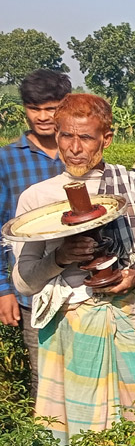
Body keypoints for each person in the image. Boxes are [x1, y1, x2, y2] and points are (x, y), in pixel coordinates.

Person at [12, 94, 135, 444]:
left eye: (85, 137)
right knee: (77, 429)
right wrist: (61, 257)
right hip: (66, 326)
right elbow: (23, 282)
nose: (75, 148)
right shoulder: (37, 198)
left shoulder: (132, 190)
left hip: (122, 316)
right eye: (66, 136)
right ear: (57, 135)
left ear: (106, 139)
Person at [0, 69, 72, 400]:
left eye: (51, 108)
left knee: (87, 372)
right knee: (44, 378)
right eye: (34, 108)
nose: (42, 117)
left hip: (81, 283)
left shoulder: (80, 151)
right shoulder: (6, 160)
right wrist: (4, 290)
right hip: (33, 290)